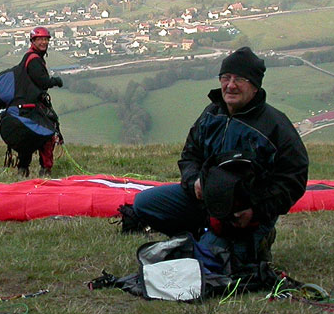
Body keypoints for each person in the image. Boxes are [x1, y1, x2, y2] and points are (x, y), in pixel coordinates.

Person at [129, 46, 309, 268]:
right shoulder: (211, 114)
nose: (230, 85)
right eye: (226, 77)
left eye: (239, 79)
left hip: (244, 214)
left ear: (254, 86)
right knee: (144, 203)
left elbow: (294, 179)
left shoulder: (275, 126)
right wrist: (194, 180)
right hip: (203, 201)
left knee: (211, 265)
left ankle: (257, 238)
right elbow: (190, 155)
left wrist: (256, 210)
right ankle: (201, 234)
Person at [8, 26, 64, 177]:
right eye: (40, 39)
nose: (43, 42)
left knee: (28, 137)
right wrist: (56, 81)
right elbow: (42, 81)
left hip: (24, 104)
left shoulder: (29, 57)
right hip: (32, 105)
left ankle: (23, 170)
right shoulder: (34, 60)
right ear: (33, 41)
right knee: (46, 135)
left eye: (45, 39)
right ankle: (45, 171)